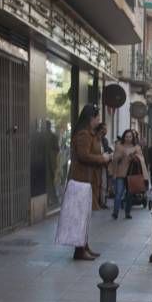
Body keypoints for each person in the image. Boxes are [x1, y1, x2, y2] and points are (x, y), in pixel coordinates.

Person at [55, 104, 110, 260]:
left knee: (85, 215)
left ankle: (84, 246)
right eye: (97, 117)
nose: (98, 120)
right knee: (80, 216)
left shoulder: (90, 134)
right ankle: (79, 250)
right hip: (81, 180)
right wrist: (102, 158)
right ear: (90, 118)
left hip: (87, 180)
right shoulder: (83, 134)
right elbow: (83, 156)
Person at [111, 129, 149, 220]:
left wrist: (134, 157)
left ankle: (127, 212)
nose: (128, 138)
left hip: (132, 174)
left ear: (133, 138)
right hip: (120, 173)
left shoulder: (137, 147)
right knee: (119, 193)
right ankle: (115, 212)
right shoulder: (119, 146)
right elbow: (114, 160)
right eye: (126, 136)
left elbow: (141, 159)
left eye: (130, 137)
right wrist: (114, 173)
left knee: (129, 194)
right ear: (124, 137)